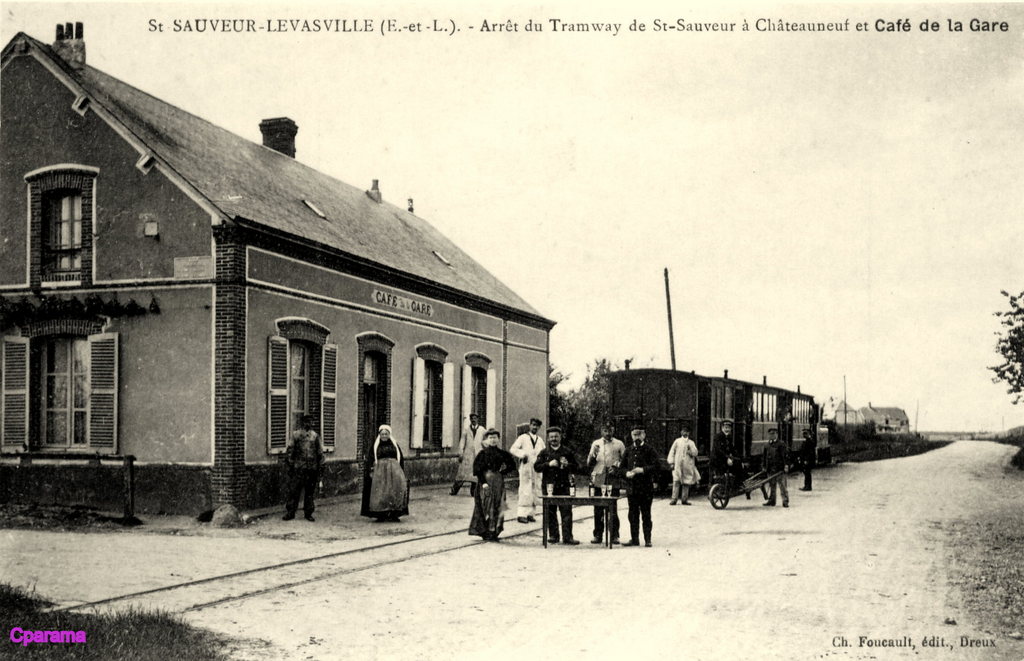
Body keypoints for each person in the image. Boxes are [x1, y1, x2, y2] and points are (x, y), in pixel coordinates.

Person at [534, 427, 580, 545]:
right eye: (551, 437)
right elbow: (536, 467)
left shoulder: (567, 452)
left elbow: (576, 467)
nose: (554, 439)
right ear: (548, 438)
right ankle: (553, 536)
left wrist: (567, 464)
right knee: (550, 511)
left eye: (556, 436)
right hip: (549, 486)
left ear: (560, 437)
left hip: (564, 486)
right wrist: (548, 464)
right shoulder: (544, 453)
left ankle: (568, 537)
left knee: (566, 511)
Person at [468, 428, 517, 541]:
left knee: (498, 504)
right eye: (490, 438)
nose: (493, 440)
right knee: (485, 505)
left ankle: (494, 531)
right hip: (485, 482)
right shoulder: (482, 454)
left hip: (498, 483)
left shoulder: (502, 453)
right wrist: (484, 483)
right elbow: (477, 470)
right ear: (487, 439)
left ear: (498, 439)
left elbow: (512, 465)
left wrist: (502, 473)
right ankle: (484, 530)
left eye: (495, 437)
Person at [361, 424, 410, 521]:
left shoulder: (394, 445)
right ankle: (381, 515)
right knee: (380, 493)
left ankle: (394, 514)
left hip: (394, 472)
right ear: (379, 435)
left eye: (386, 434)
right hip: (380, 473)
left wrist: (400, 472)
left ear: (389, 434)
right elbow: (370, 459)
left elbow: (400, 458)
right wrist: (371, 470)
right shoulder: (375, 446)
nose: (384, 436)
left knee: (394, 492)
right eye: (382, 434)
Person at [586, 423, 625, 544]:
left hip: (612, 478)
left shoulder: (619, 444)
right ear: (601, 431)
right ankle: (598, 534)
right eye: (605, 430)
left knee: (612, 508)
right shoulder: (596, 443)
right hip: (599, 477)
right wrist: (593, 454)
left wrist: (617, 468)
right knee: (598, 508)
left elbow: (625, 461)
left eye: (610, 430)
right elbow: (589, 463)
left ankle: (614, 535)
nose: (608, 433)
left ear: (613, 430)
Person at [622, 423, 659, 547]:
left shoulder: (650, 450)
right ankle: (634, 539)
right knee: (632, 515)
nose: (637, 437)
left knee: (646, 514)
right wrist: (626, 473)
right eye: (634, 435)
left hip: (645, 488)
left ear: (644, 435)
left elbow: (656, 466)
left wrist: (642, 470)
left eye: (639, 434)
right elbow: (621, 468)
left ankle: (648, 539)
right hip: (632, 488)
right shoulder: (628, 450)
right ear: (631, 436)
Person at [283, 414, 324, 522]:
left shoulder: (315, 436)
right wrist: (291, 465)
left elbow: (320, 452)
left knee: (309, 492)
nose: (308, 424)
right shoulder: (296, 435)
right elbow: (290, 451)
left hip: (311, 468)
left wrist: (320, 466)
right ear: (302, 423)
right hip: (298, 468)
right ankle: (290, 512)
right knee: (294, 491)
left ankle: (308, 513)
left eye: (310, 422)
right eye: (306, 421)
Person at [509, 417, 545, 523]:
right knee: (525, 490)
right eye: (533, 425)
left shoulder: (540, 440)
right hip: (526, 467)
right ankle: (521, 514)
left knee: (535, 489)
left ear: (539, 427)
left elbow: (544, 453)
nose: (535, 427)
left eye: (537, 426)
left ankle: (530, 514)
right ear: (530, 425)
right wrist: (523, 454)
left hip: (536, 468)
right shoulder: (523, 438)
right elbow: (513, 449)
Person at [710, 419, 749, 498]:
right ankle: (737, 485)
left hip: (723, 460)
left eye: (728, 428)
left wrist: (740, 459)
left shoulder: (728, 437)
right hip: (717, 461)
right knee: (737, 466)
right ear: (722, 428)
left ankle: (737, 484)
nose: (727, 429)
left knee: (738, 463)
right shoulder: (718, 437)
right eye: (725, 427)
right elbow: (718, 450)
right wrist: (727, 459)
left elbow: (733, 449)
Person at [451, 413, 485, 496]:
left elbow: (485, 441)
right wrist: (461, 453)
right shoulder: (466, 430)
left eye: (475, 418)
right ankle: (454, 490)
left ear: (478, 419)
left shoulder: (482, 430)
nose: (473, 420)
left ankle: (473, 491)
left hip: (478, 455)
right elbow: (462, 442)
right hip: (468, 455)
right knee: (462, 474)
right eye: (472, 418)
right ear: (470, 420)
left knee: (475, 475)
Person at [667, 427, 700, 505]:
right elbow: (672, 451)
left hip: (687, 465)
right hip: (678, 464)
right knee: (676, 480)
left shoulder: (691, 443)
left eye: (687, 432)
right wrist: (671, 462)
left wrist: (690, 451)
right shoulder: (677, 441)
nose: (685, 433)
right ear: (681, 432)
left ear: (689, 433)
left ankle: (684, 499)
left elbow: (695, 453)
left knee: (686, 482)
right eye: (684, 431)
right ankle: (674, 499)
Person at [761, 427, 790, 507]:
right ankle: (772, 500)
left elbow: (785, 456)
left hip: (779, 469)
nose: (771, 435)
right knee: (772, 485)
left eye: (773, 434)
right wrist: (764, 466)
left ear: (777, 434)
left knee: (782, 486)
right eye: (770, 434)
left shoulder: (781, 444)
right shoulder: (767, 445)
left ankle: (785, 501)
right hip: (770, 469)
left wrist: (786, 465)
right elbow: (764, 457)